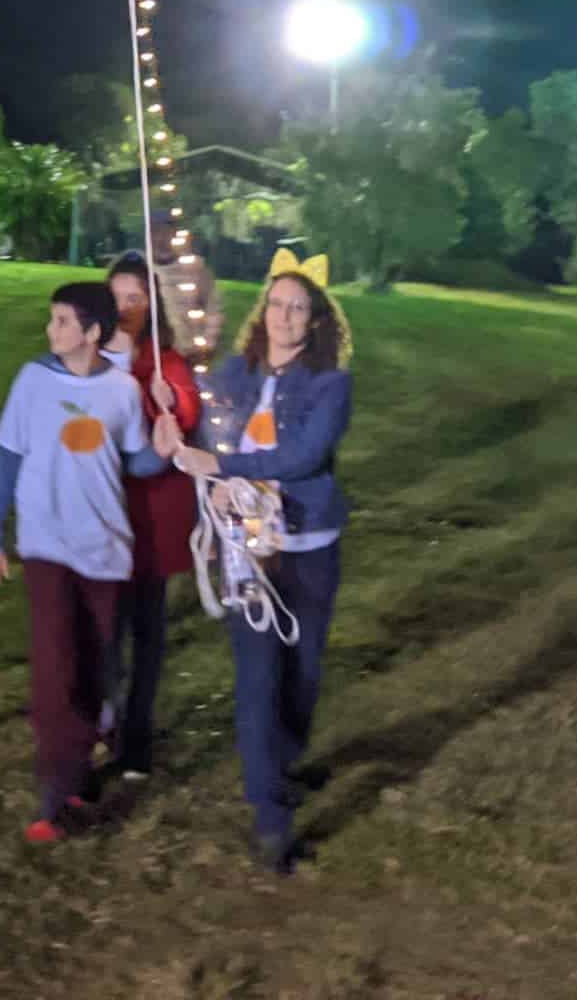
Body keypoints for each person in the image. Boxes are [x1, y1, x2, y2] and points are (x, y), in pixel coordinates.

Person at [153, 247, 353, 872]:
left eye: (300, 308)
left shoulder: (331, 385)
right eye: (278, 303)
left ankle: (284, 762)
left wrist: (224, 465)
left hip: (309, 546)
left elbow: (302, 457)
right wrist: (170, 404)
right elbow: (199, 414)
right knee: (257, 679)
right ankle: (271, 819)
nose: (286, 317)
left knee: (304, 673)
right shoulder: (236, 374)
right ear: (263, 308)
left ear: (317, 320)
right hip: (249, 551)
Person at [0, 279, 171, 841]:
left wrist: (161, 448)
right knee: (55, 668)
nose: (50, 330)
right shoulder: (32, 381)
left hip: (105, 547)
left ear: (92, 332)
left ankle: (82, 755)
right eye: (52, 320)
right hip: (46, 544)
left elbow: (135, 464)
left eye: (62, 321)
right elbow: (5, 458)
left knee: (95, 666)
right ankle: (55, 798)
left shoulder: (121, 391)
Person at [99, 250, 203, 778]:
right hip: (100, 515)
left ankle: (135, 736)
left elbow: (187, 410)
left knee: (146, 634)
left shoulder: (165, 360)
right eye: (116, 298)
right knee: (102, 631)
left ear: (151, 303)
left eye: (135, 299)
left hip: (153, 521)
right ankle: (105, 720)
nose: (125, 309)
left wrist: (169, 400)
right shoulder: (89, 356)